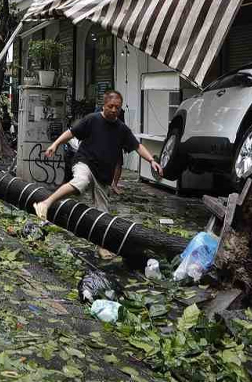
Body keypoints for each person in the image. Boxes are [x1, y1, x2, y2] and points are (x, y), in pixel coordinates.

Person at [36, 90, 162, 258]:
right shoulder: (92, 119)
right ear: (104, 105)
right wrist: (55, 144)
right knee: (81, 181)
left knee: (103, 215)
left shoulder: (122, 129)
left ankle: (102, 246)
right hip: (85, 162)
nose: (114, 110)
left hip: (103, 175)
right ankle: (45, 203)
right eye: (110, 106)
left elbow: (137, 146)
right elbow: (71, 132)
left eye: (117, 107)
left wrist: (151, 161)